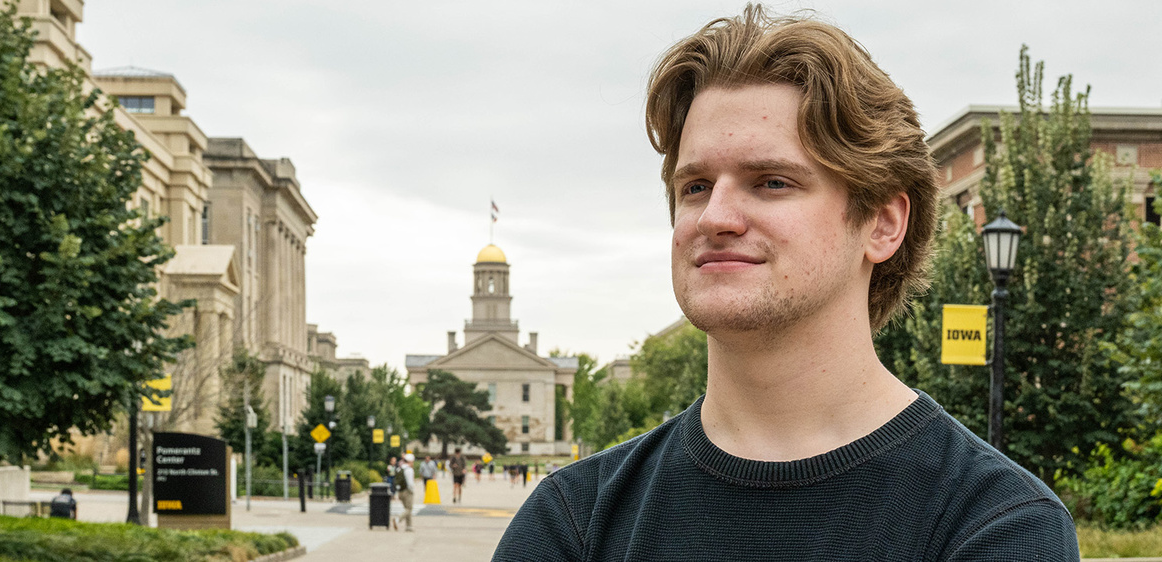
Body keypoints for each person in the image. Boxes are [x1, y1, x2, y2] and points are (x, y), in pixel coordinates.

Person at [493, 5, 1077, 561]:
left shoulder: (997, 524)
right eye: (694, 186)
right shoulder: (575, 521)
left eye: (771, 182)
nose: (716, 216)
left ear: (882, 223)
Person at [395, 453, 417, 532]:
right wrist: (412, 490)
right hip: (407, 491)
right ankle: (398, 519)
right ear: (410, 461)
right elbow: (410, 483)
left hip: (400, 491)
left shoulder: (399, 468)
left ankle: (409, 526)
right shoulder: (409, 470)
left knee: (407, 508)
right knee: (409, 508)